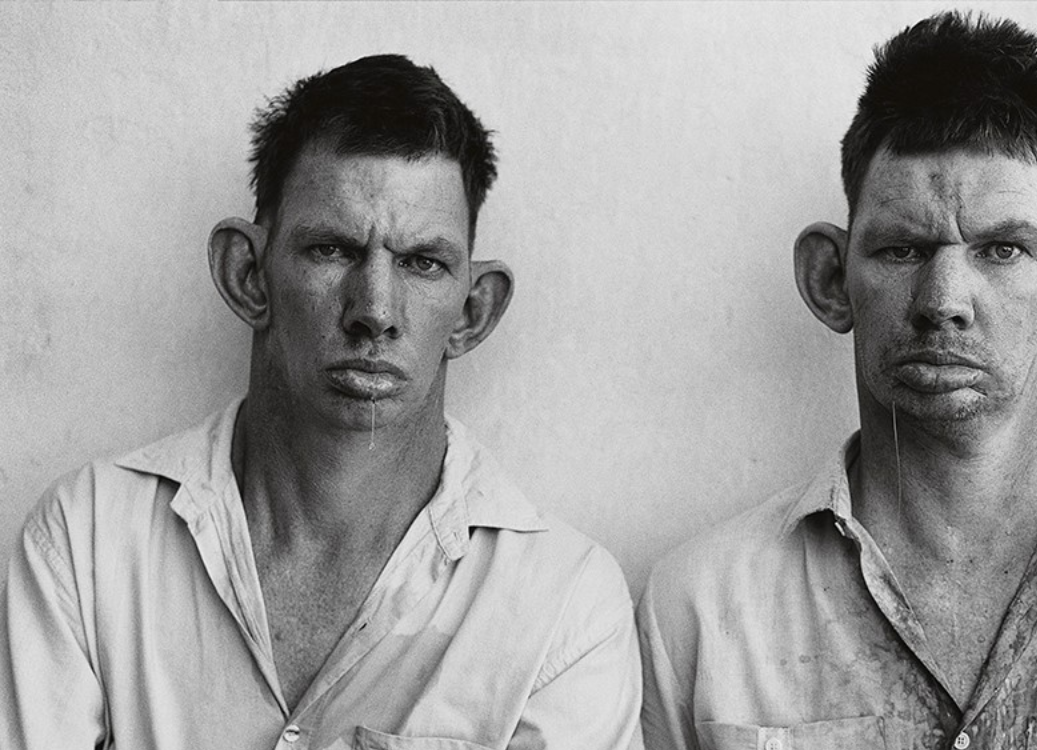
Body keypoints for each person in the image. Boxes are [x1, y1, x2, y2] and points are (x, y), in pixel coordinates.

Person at [1, 54, 640, 749]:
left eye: (422, 262)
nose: (375, 311)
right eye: (332, 249)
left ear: (471, 313)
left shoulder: (563, 606)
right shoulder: (89, 542)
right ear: (248, 275)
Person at [638, 12, 1037, 750]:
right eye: (903, 249)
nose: (944, 302)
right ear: (831, 280)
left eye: (1001, 249)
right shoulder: (701, 608)